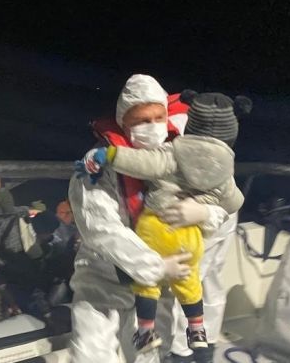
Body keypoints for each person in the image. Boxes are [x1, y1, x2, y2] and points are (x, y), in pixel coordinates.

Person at [68, 74, 231, 363]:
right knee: (91, 353)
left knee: (152, 354)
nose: (152, 126)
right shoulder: (99, 164)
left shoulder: (183, 157)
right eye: (141, 120)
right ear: (123, 123)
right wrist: (154, 265)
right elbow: (99, 227)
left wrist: (205, 213)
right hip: (104, 279)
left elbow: (222, 201)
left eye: (158, 117)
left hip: (159, 287)